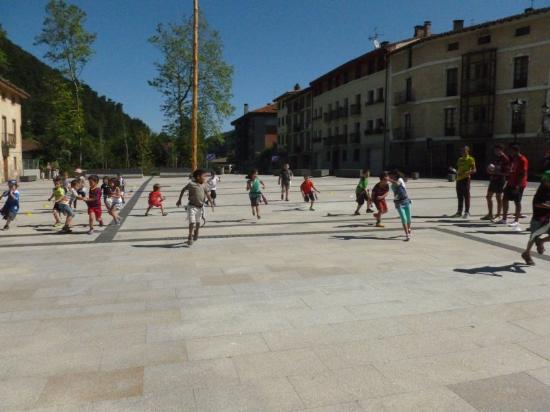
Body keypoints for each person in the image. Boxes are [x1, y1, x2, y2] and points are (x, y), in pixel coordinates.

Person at [176, 169, 213, 245]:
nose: (205, 178)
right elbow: (183, 190)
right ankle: (190, 236)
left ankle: (196, 231)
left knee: (198, 222)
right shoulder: (191, 184)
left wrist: (211, 202)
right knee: (192, 222)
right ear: (198, 177)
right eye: (204, 176)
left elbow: (207, 194)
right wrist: (179, 200)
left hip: (200, 207)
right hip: (192, 206)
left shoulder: (204, 185)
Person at [521, 170, 550, 265]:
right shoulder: (541, 191)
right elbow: (537, 204)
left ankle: (541, 241)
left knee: (536, 237)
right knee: (533, 237)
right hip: (538, 218)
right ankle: (526, 253)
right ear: (545, 181)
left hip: (547, 218)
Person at [498, 144, 528, 230]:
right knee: (505, 199)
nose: (510, 153)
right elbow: (512, 170)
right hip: (511, 182)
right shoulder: (514, 159)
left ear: (516, 151)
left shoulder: (523, 160)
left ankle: (516, 220)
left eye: (511, 151)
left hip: (519, 184)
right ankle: (504, 219)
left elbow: (523, 173)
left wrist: (518, 185)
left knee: (517, 201)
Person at [482, 144, 510, 221]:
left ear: (501, 150)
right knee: (488, 196)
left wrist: (496, 172)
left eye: (497, 150)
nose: (495, 151)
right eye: (494, 150)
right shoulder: (495, 158)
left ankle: (498, 214)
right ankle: (490, 214)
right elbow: (493, 168)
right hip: (493, 179)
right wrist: (489, 171)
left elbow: (507, 173)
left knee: (498, 197)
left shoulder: (505, 159)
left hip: (500, 180)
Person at [388, 169, 413, 240]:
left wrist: (389, 179)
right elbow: (395, 193)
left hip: (406, 201)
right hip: (399, 203)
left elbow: (398, 184)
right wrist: (395, 200)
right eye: (389, 176)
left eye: (391, 176)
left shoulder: (400, 180)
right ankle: (407, 234)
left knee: (409, 218)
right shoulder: (392, 185)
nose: (390, 177)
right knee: (404, 219)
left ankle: (409, 228)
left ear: (395, 175)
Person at [453, 146, 476, 219]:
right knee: (459, 196)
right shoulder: (459, 159)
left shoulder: (470, 159)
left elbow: (474, 170)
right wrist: (457, 172)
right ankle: (459, 212)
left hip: (466, 179)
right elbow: (459, 169)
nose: (462, 152)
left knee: (466, 196)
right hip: (458, 179)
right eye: (461, 151)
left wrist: (467, 172)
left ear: (467, 151)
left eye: (464, 150)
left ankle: (467, 212)